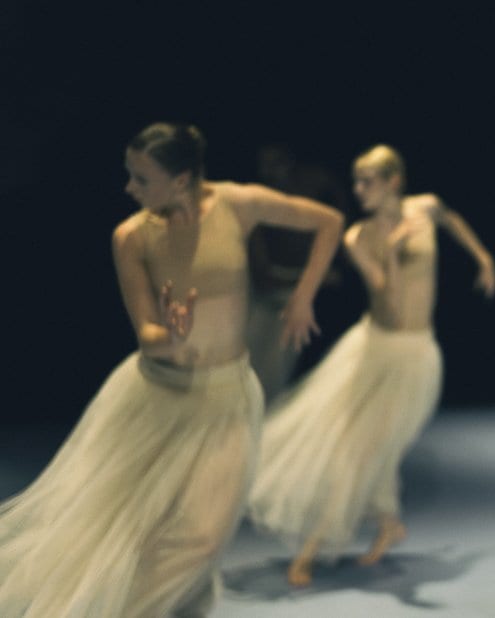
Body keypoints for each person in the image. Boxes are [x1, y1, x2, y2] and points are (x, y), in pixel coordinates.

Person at [0, 122, 344, 617]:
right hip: (158, 398)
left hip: (227, 397)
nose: (129, 188)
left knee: (204, 539)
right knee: (128, 531)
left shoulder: (238, 204)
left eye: (140, 178)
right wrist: (174, 336)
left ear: (181, 181)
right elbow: (147, 336)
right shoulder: (132, 238)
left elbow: (329, 221)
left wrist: (303, 297)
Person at [247, 143, 495, 587]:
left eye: (367, 181)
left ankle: (383, 522)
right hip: (373, 349)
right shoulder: (357, 237)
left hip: (415, 356)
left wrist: (482, 256)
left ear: (394, 182)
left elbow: (452, 219)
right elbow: (388, 298)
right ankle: (338, 539)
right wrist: (393, 256)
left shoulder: (426, 207)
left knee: (373, 448)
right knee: (353, 449)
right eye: (357, 180)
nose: (358, 189)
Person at [246, 142, 351, 402]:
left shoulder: (313, 184)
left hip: (309, 290)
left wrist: (325, 273)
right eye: (265, 165)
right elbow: (261, 271)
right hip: (272, 293)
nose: (271, 171)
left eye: (277, 163)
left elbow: (337, 217)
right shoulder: (256, 202)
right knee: (259, 366)